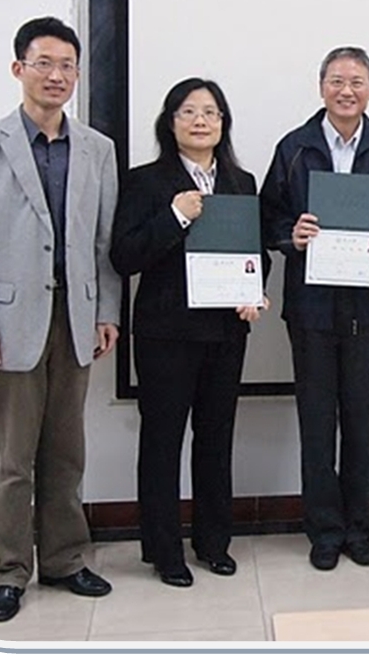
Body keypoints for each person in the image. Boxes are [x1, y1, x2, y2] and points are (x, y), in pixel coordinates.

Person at [0, 16, 120, 622]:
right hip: (11, 321)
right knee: (14, 459)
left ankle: (67, 560)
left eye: (67, 65)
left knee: (67, 452)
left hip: (75, 319)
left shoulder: (98, 149)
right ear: (19, 68)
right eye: (44, 63)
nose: (57, 75)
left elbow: (102, 243)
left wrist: (105, 310)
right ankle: (10, 571)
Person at [260, 46, 369, 570]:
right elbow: (268, 219)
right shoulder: (294, 148)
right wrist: (291, 235)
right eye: (336, 80)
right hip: (312, 310)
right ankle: (324, 531)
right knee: (317, 424)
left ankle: (359, 528)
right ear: (320, 85)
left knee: (362, 424)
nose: (346, 90)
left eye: (357, 81)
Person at [111, 78, 269, 586]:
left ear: (223, 124)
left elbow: (255, 253)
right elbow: (125, 255)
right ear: (170, 122)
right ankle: (164, 550)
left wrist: (256, 290)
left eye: (211, 112)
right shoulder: (144, 181)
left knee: (215, 438)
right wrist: (177, 215)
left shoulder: (242, 182)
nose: (201, 121)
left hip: (226, 332)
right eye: (188, 111)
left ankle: (213, 542)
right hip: (166, 334)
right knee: (162, 442)